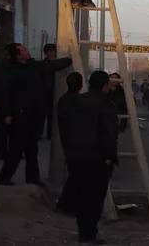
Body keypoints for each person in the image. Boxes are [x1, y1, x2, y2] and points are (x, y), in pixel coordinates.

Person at [58, 70, 118, 244]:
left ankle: (83, 232)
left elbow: (66, 128)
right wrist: (109, 156)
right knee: (94, 198)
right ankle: (88, 234)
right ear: (105, 86)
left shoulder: (75, 101)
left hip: (76, 156)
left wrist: (69, 152)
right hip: (98, 159)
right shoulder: (106, 104)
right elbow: (109, 133)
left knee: (82, 195)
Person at [0, 44, 47, 186]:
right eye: (24, 50)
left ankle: (32, 177)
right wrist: (7, 114)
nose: (27, 50)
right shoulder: (12, 71)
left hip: (32, 114)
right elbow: (5, 94)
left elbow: (48, 66)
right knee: (17, 149)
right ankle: (4, 177)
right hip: (19, 115)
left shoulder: (32, 66)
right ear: (18, 55)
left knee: (32, 148)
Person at [55, 72, 84, 215]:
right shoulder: (81, 101)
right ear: (81, 85)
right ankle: (66, 205)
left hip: (68, 141)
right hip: (79, 143)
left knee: (75, 174)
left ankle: (66, 204)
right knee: (77, 175)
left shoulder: (62, 100)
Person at [38, 43, 72, 139]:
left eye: (53, 51)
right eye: (50, 52)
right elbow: (65, 62)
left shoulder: (44, 64)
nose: (52, 53)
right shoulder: (46, 64)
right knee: (45, 114)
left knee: (49, 114)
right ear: (46, 53)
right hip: (46, 93)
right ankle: (44, 134)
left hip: (49, 92)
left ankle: (47, 134)